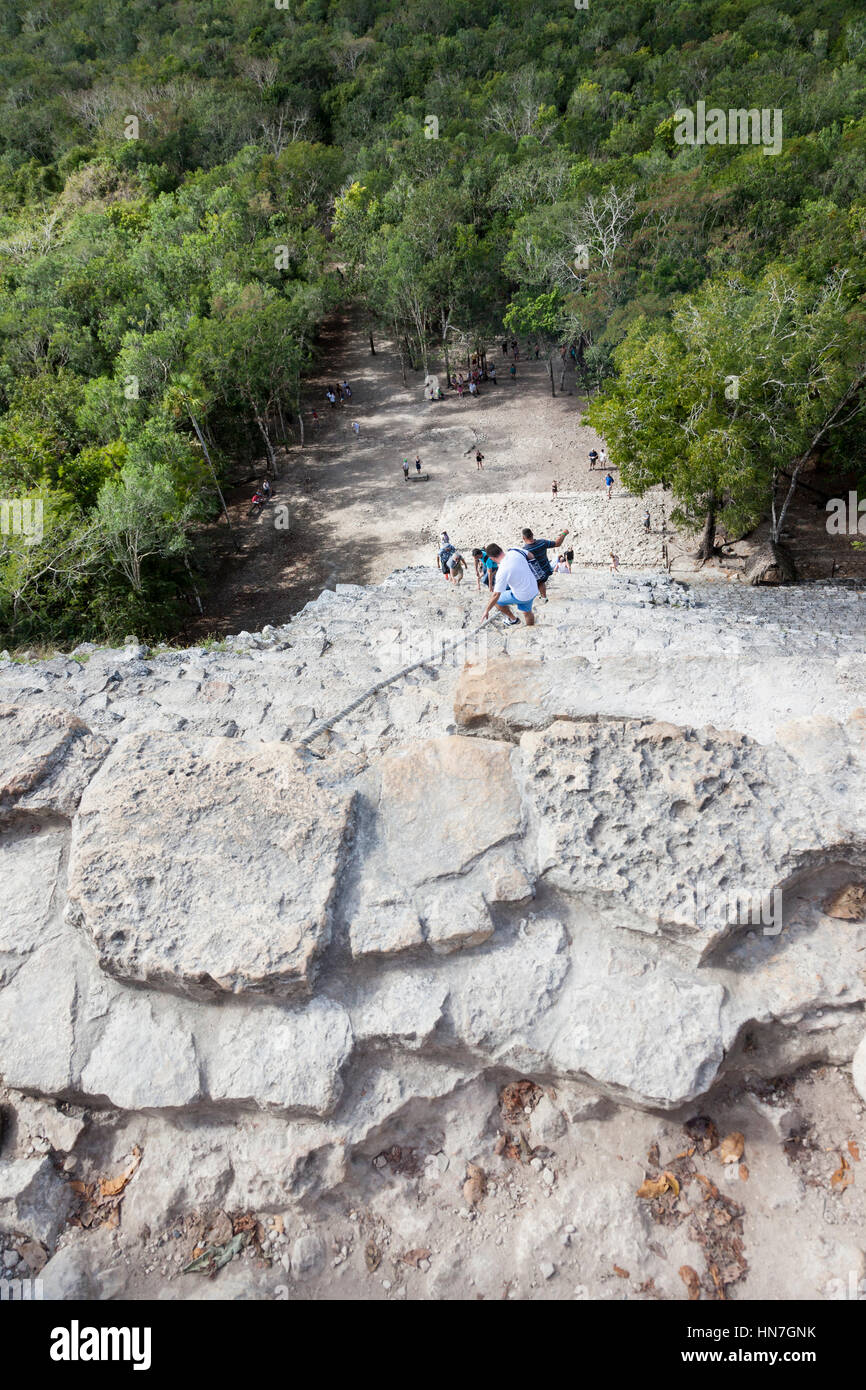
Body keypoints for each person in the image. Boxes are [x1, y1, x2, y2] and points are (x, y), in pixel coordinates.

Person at [481, 543, 538, 627]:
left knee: (497, 602)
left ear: (491, 558)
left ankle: (513, 619)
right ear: (500, 549)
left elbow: (496, 595)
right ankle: (531, 627)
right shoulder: (514, 550)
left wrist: (487, 610)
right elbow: (531, 555)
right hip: (533, 588)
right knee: (527, 612)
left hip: (522, 595)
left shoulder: (502, 571)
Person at [519, 525, 569, 602]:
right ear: (532, 534)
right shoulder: (542, 543)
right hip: (545, 570)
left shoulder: (524, 551)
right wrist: (564, 533)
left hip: (535, 574)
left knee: (535, 583)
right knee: (541, 582)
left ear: (523, 538)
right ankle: (543, 597)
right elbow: (557, 543)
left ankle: (529, 598)